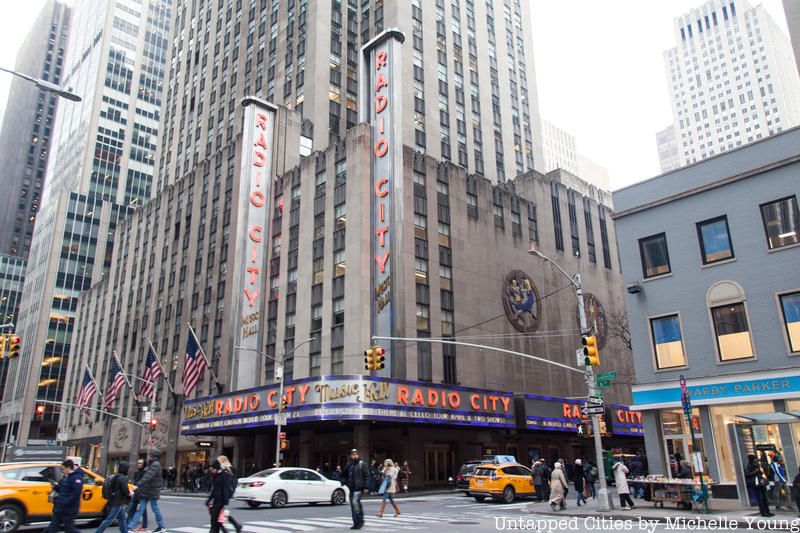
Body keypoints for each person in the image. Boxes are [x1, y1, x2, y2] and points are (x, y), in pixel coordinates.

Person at [128, 449, 166, 533]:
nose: (148, 456)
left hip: (152, 491)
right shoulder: (153, 464)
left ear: (153, 455)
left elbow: (148, 476)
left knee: (154, 508)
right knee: (142, 509)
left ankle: (161, 526)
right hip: (147, 491)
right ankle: (130, 527)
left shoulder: (155, 464)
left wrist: (138, 484)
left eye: (150, 454)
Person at [44, 459, 83, 533]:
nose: (62, 471)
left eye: (63, 469)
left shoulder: (76, 478)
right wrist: (56, 487)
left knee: (69, 529)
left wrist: (65, 502)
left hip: (68, 508)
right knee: (53, 528)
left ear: (68, 468)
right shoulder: (67, 477)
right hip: (60, 506)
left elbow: (76, 493)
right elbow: (63, 490)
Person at [95, 461, 131, 533]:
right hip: (117, 502)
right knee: (109, 519)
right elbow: (125, 491)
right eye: (128, 468)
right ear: (125, 469)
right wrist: (130, 493)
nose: (129, 470)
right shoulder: (123, 478)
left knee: (122, 519)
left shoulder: (116, 476)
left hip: (114, 500)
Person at [342, 449, 370, 530]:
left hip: (359, 488)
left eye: (356, 454)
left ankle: (359, 521)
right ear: (351, 456)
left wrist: (366, 487)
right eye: (353, 454)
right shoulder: (349, 465)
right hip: (352, 488)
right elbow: (343, 475)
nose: (354, 456)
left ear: (358, 455)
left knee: (355, 503)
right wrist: (344, 482)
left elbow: (367, 476)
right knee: (353, 505)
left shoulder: (362, 464)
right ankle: (356, 522)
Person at [206, 460, 235, 533]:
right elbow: (214, 489)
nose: (211, 471)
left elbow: (225, 488)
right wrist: (209, 500)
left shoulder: (224, 475)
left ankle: (213, 531)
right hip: (216, 500)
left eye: (212, 469)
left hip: (221, 500)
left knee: (215, 519)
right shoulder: (216, 475)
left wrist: (225, 502)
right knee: (215, 519)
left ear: (216, 468)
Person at [217, 456, 243, 533]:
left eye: (219, 461)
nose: (217, 463)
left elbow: (229, 483)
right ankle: (236, 526)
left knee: (217, 514)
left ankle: (228, 529)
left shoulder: (228, 470)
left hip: (223, 494)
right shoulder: (223, 469)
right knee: (220, 513)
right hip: (220, 494)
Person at [128, 459, 149, 532]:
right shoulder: (136, 472)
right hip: (136, 493)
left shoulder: (146, 473)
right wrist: (132, 491)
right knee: (133, 509)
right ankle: (144, 526)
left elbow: (145, 484)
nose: (138, 464)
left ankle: (131, 526)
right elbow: (135, 483)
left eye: (140, 463)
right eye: (138, 463)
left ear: (144, 464)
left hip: (142, 494)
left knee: (139, 510)